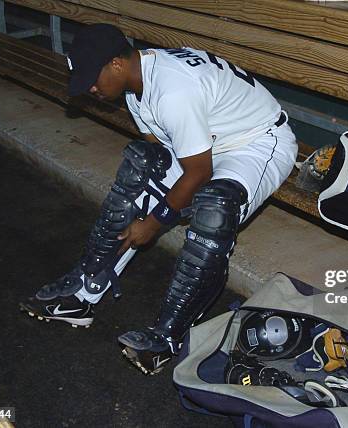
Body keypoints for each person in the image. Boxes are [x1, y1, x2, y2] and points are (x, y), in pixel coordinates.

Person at [19, 24, 297, 375]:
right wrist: (153, 203)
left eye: (93, 78)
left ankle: (168, 338)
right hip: (209, 144)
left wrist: (153, 223)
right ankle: (83, 293)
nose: (90, 88)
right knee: (141, 166)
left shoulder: (172, 90)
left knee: (214, 207)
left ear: (117, 64)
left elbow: (198, 173)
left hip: (256, 142)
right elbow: (162, 152)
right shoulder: (137, 87)